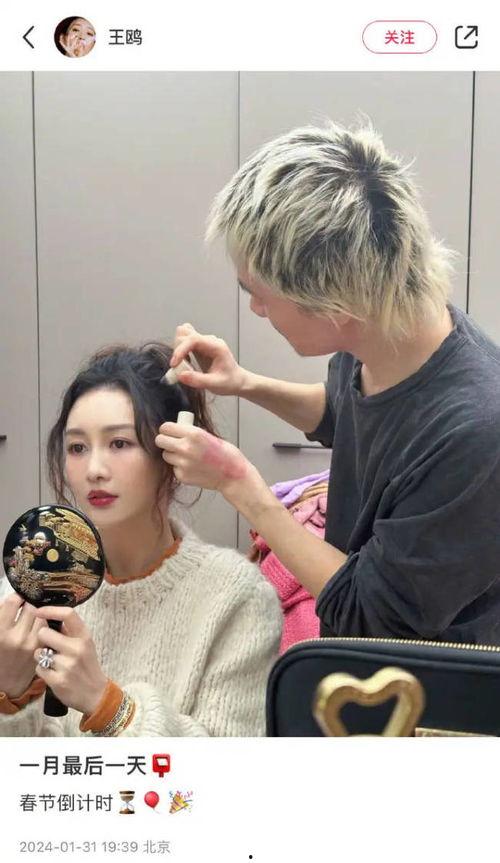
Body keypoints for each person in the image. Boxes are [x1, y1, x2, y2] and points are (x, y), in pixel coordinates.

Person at [156, 120, 500, 646]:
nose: (257, 308)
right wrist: (243, 382)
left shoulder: (475, 434)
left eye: (259, 292)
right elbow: (344, 411)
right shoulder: (387, 332)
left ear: (335, 305)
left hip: (420, 680)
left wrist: (239, 485)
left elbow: (369, 613)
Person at [0, 342, 282, 736]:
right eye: (77, 447)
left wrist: (108, 706)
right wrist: (9, 693)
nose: (94, 469)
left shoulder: (236, 597)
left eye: (119, 443)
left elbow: (229, 767)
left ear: (172, 454)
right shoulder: (25, 590)